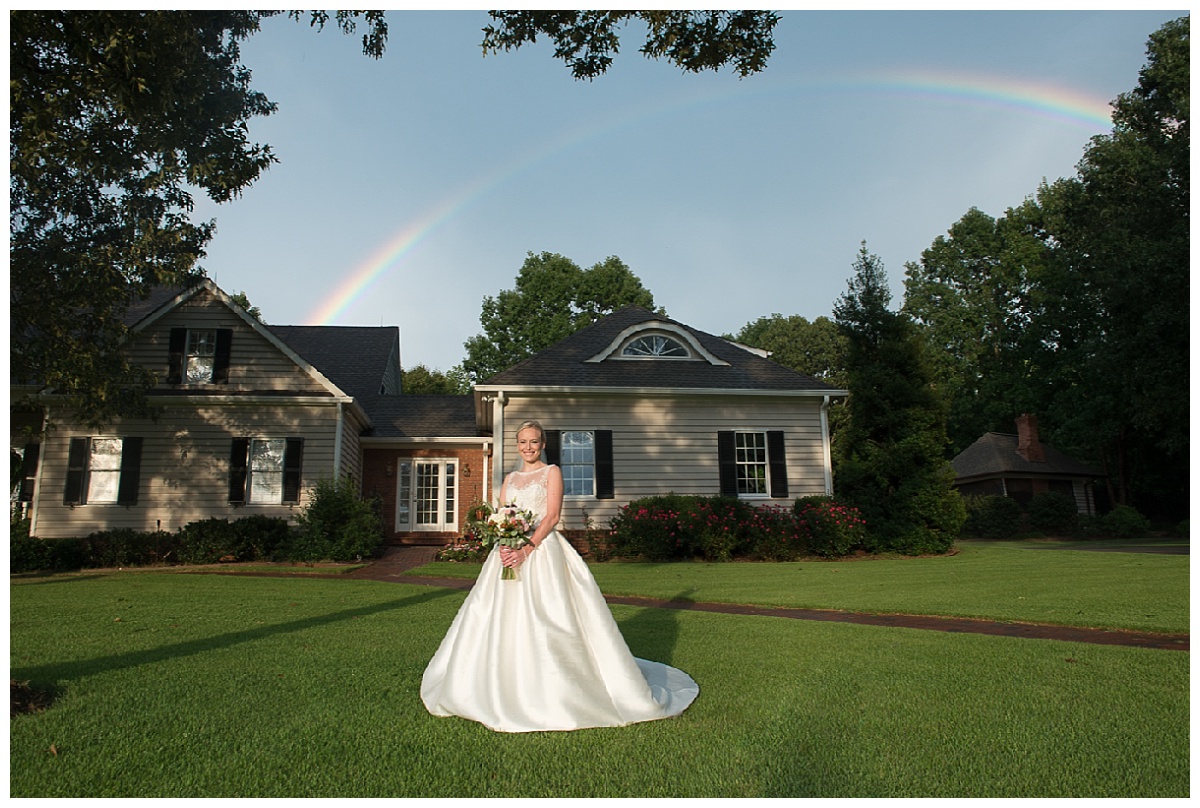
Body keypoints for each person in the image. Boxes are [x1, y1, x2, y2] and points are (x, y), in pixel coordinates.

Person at [421, 419, 699, 732]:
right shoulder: (509, 478)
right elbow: (502, 515)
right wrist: (504, 542)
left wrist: (526, 550)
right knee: (496, 616)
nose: (529, 447)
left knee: (551, 616)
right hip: (507, 554)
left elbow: (552, 516)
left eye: (535, 442)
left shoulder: (552, 472)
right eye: (523, 442)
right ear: (518, 444)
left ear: (543, 444)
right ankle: (499, 680)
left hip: (542, 553)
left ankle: (560, 686)